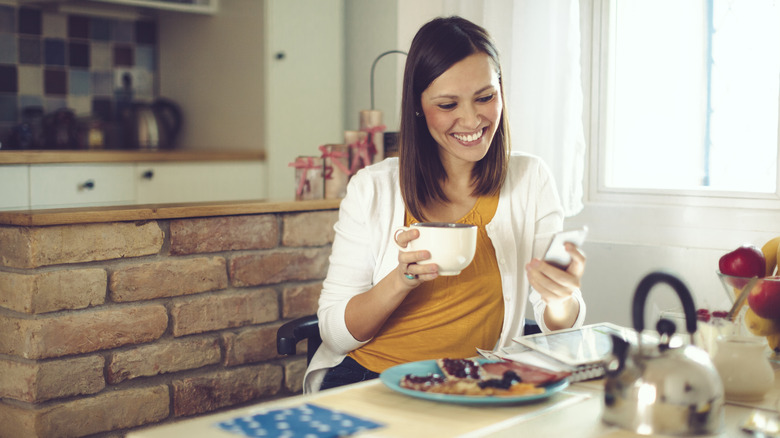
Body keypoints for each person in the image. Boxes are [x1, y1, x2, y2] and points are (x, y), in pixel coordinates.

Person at [303, 16, 586, 393]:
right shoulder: (371, 188)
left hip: (476, 385)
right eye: (448, 104)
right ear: (419, 107)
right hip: (371, 381)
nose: (471, 119)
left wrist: (561, 296)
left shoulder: (530, 180)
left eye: (485, 97)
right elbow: (335, 335)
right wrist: (400, 281)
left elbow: (557, 324)